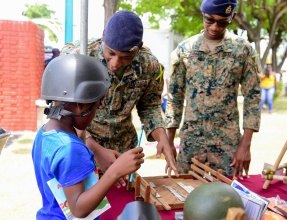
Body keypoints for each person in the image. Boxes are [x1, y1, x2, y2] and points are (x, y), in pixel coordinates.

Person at [60, 10, 178, 183]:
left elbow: (149, 106)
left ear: (138, 48)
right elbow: (65, 113)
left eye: (126, 57)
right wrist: (94, 149)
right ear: (103, 37)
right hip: (81, 147)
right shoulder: (80, 57)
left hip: (122, 152)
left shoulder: (149, 65)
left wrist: (162, 138)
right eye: (111, 53)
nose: (115, 63)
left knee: (123, 205)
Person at [32, 54, 145, 219]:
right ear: (80, 106)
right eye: (96, 106)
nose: (95, 113)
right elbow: (78, 208)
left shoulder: (45, 133)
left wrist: (92, 151)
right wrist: (114, 171)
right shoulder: (70, 149)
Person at [165, 0, 262, 179]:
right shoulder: (186, 49)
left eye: (222, 22)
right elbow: (175, 96)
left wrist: (245, 145)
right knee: (187, 193)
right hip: (191, 141)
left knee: (226, 198)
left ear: (232, 17)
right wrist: (169, 140)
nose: (215, 27)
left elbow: (253, 98)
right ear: (203, 15)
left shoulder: (243, 50)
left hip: (227, 143)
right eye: (209, 20)